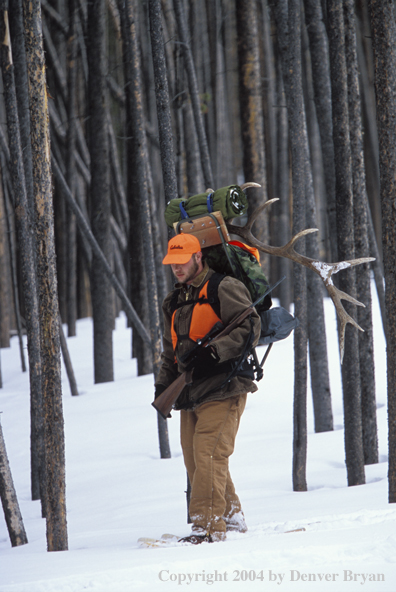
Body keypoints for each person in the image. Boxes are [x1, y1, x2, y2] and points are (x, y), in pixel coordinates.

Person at [154, 233, 261, 544]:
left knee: (209, 455)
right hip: (189, 392)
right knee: (196, 460)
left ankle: (207, 526)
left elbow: (250, 326)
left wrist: (215, 352)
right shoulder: (173, 301)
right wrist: (163, 384)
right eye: (172, 262)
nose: (176, 267)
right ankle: (231, 516)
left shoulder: (223, 286)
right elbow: (168, 349)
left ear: (198, 257)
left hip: (225, 386)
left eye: (182, 260)